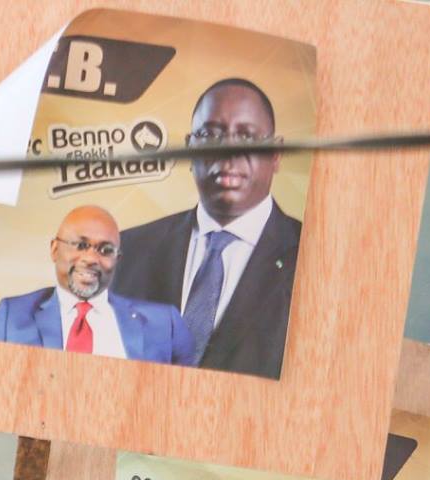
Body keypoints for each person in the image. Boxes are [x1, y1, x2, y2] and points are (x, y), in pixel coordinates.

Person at [114, 78, 303, 379]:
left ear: (276, 154)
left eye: (247, 137)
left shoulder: (311, 261)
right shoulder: (130, 251)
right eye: (210, 135)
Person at [0, 205, 196, 364]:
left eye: (105, 250)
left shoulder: (165, 324)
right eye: (81, 245)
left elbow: (186, 403)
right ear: (54, 249)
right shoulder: (12, 316)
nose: (91, 258)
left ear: (117, 260)